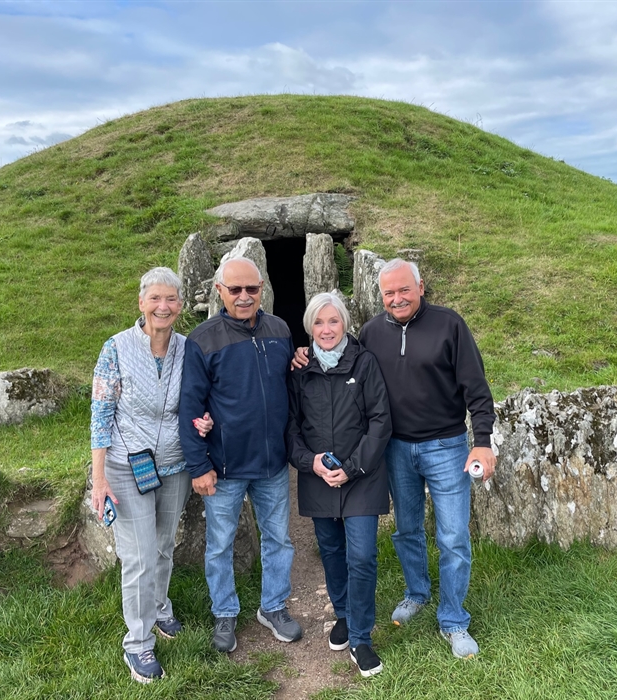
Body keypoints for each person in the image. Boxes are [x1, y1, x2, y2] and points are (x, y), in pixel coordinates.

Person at [293, 258, 497, 659]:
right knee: (406, 531)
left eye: (405, 290)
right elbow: (337, 351)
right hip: (395, 448)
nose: (397, 298)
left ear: (421, 287)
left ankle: (453, 619)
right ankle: (417, 592)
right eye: (389, 293)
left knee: (453, 537)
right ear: (380, 296)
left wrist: (483, 439)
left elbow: (476, 385)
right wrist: (304, 353)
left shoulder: (449, 325)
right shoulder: (370, 333)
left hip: (446, 445)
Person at [90, 266, 213, 684]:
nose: (163, 306)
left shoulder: (187, 348)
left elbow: (197, 401)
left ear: (180, 305)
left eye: (171, 299)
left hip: (175, 464)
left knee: (162, 546)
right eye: (155, 298)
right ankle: (138, 644)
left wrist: (205, 423)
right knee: (140, 556)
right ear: (141, 302)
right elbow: (101, 414)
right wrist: (99, 478)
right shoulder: (116, 348)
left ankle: (160, 609)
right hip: (127, 465)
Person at [178, 258, 303, 654]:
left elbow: (288, 385)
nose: (244, 296)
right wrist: (199, 465)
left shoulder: (280, 329)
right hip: (226, 466)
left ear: (261, 287)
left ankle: (274, 606)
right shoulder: (202, 339)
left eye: (251, 289)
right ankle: (225, 611)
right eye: (236, 290)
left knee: (279, 539)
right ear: (220, 291)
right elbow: (190, 406)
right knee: (220, 544)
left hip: (272, 463)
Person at [286, 293, 392, 677]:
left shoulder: (364, 363)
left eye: (333, 321)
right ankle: (344, 613)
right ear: (309, 328)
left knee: (361, 555)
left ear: (345, 323)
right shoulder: (299, 369)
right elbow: (291, 427)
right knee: (331, 550)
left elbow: (381, 420)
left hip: (361, 475)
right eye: (318, 322)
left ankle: (362, 638)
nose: (326, 329)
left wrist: (352, 468)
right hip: (318, 476)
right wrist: (309, 462)